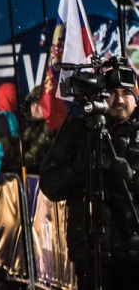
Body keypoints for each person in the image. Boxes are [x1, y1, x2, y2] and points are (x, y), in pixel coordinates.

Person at [40, 78, 139, 289]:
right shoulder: (78, 131)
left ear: (137, 98)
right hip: (91, 254)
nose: (119, 100)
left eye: (126, 93)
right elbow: (50, 186)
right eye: (112, 93)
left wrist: (131, 178)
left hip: (133, 253)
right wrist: (78, 168)